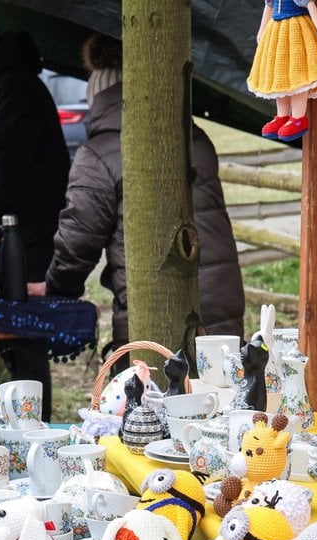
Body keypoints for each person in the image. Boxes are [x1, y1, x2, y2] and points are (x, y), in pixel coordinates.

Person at [38, 34, 245, 344]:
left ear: (99, 97)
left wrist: (55, 290)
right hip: (222, 304)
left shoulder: (99, 153)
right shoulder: (194, 137)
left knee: (152, 391)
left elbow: (77, 243)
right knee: (218, 389)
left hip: (156, 312)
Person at [0, 1, 70, 396]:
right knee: (14, 334)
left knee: (22, 333)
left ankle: (31, 423)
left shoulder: (14, 90)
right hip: (2, 230)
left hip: (25, 235)